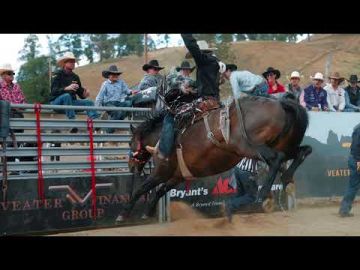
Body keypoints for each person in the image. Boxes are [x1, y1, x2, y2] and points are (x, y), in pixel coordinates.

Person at [50, 52, 99, 133]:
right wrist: (66, 88)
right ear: (64, 63)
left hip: (71, 104)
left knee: (89, 102)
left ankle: (95, 122)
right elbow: (53, 91)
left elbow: (80, 93)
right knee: (66, 96)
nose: (73, 63)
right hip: (57, 103)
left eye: (74, 62)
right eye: (70, 61)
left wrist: (85, 94)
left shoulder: (75, 77)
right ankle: (72, 122)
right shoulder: (57, 75)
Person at [0, 63, 36, 173]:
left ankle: (14, 168)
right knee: (9, 142)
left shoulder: (16, 86)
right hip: (6, 118)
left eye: (13, 73)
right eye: (10, 73)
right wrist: (15, 106)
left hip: (17, 116)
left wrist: (16, 106)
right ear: (3, 75)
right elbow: (5, 102)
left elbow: (22, 102)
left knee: (17, 141)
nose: (12, 75)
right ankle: (10, 168)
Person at [181, 34, 223, 101]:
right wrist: (190, 84)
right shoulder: (213, 61)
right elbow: (206, 82)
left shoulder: (204, 60)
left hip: (206, 101)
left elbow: (192, 46)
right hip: (214, 99)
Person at [95, 65, 136, 133]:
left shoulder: (121, 82)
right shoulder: (105, 84)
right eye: (113, 74)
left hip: (118, 103)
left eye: (117, 74)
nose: (115, 75)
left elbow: (126, 90)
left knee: (129, 103)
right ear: (109, 75)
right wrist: (97, 110)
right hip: (108, 103)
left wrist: (131, 92)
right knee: (117, 111)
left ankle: (111, 124)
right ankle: (108, 132)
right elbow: (99, 97)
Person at [223, 157, 261, 221]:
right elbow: (255, 157)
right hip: (247, 171)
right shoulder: (258, 147)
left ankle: (229, 215)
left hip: (238, 169)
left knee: (240, 195)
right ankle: (230, 205)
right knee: (252, 196)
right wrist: (253, 174)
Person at [339, 123, 360, 217]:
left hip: (355, 159)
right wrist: (359, 160)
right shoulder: (359, 129)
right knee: (353, 186)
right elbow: (356, 145)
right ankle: (344, 210)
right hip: (357, 160)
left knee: (353, 186)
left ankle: (344, 209)